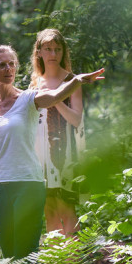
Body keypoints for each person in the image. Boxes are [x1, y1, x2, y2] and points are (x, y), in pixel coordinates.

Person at [0, 45, 102, 258]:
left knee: (25, 254)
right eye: (1, 65)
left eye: (12, 64)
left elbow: (55, 97)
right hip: (0, 188)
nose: (8, 69)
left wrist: (75, 82)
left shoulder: (29, 99)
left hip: (28, 184)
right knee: (9, 255)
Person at [30, 29, 84, 236]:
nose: (53, 54)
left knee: (67, 207)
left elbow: (76, 119)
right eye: (48, 49)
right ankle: (56, 262)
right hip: (40, 154)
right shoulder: (35, 83)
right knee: (49, 207)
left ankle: (75, 262)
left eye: (57, 49)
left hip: (67, 152)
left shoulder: (72, 81)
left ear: (63, 52)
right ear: (39, 53)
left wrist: (55, 98)